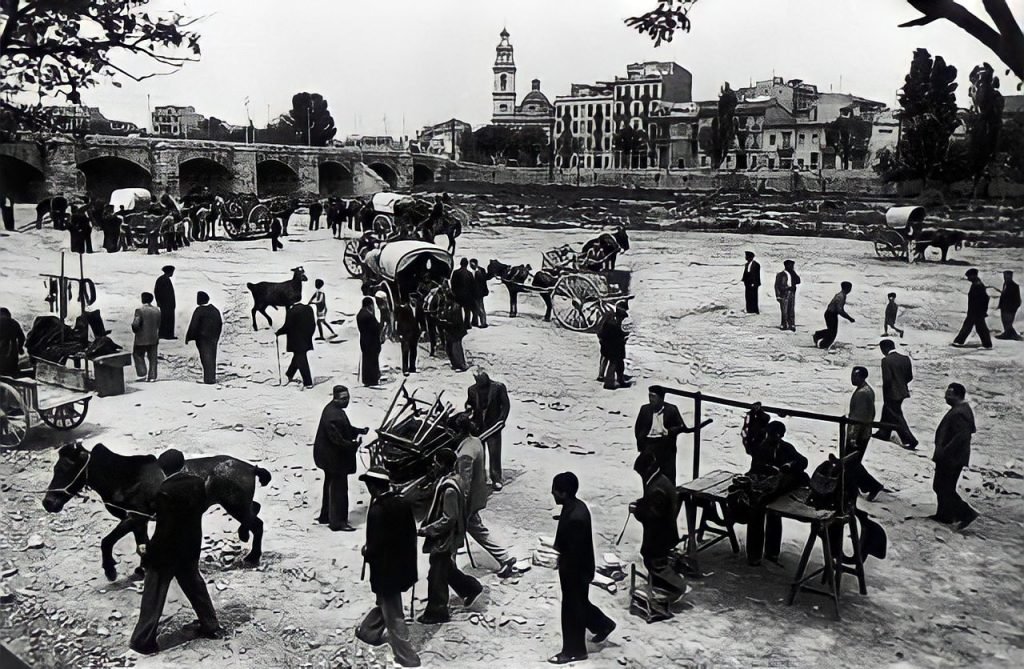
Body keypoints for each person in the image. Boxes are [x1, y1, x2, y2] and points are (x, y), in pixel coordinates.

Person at [129, 449, 223, 654]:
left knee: (154, 593)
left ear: (163, 469)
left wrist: (149, 551)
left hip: (167, 552)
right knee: (195, 586)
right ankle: (211, 626)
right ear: (182, 465)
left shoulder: (164, 491)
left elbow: (165, 530)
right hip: (190, 546)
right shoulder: (198, 483)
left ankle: (143, 641)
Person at [356, 467, 420, 667]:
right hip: (402, 567)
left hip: (385, 571)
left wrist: (367, 551)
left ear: (373, 487)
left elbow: (376, 546)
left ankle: (408, 658)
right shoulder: (402, 503)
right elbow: (410, 536)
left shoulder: (378, 510)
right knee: (385, 603)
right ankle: (368, 632)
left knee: (394, 616)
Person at [548, 472, 615, 665]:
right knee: (579, 603)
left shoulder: (575, 517)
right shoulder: (574, 506)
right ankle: (603, 625)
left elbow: (574, 553)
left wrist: (566, 571)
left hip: (575, 571)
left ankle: (574, 650)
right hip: (576, 568)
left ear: (564, 493)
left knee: (571, 609)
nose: (552, 493)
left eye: (555, 490)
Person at [417, 448, 482, 624]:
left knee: (436, 575)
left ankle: (437, 611)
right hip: (448, 537)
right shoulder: (454, 480)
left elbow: (449, 518)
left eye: (436, 462)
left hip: (444, 538)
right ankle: (470, 588)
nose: (433, 465)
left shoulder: (450, 489)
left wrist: (427, 530)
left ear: (443, 464)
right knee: (445, 568)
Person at [453, 414, 517, 576]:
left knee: (453, 533)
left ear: (460, 431)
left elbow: (464, 484)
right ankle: (505, 558)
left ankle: (449, 570)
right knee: (477, 530)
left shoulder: (465, 454)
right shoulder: (475, 441)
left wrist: (459, 507)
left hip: (468, 501)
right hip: (478, 495)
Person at [745, 421, 808, 565]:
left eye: (775, 436)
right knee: (757, 510)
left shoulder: (786, 448)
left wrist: (789, 465)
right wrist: (768, 470)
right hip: (763, 486)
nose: (771, 438)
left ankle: (771, 552)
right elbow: (755, 468)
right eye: (770, 435)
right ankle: (755, 555)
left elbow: (803, 461)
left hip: (779, 487)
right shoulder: (761, 447)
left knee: (773, 512)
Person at [629, 451, 685, 596]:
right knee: (654, 561)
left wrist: (637, 511)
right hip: (663, 531)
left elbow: (652, 515)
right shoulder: (660, 479)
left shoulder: (657, 488)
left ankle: (676, 587)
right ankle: (663, 585)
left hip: (659, 534)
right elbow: (652, 504)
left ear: (647, 470)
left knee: (655, 562)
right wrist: (641, 503)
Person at [314, 385, 368, 532]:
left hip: (328, 458)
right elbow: (337, 439)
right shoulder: (333, 415)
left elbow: (345, 429)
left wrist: (358, 431)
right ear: (335, 398)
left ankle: (326, 515)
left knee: (329, 485)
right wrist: (353, 445)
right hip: (334, 459)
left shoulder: (333, 410)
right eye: (344, 398)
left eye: (348, 397)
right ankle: (338, 522)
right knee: (339, 490)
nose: (347, 401)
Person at [634, 387, 711, 485]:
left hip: (665, 444)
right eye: (649, 396)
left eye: (653, 396)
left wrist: (672, 431)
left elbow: (681, 426)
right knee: (647, 474)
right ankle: (649, 496)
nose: (651, 399)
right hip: (649, 444)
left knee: (668, 474)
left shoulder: (671, 409)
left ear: (661, 398)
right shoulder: (645, 409)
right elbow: (638, 428)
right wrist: (642, 444)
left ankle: (670, 496)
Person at [931, 383, 979, 530]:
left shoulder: (960, 413)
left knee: (944, 487)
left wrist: (944, 452)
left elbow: (961, 437)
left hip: (951, 458)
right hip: (950, 457)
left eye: (949, 394)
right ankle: (944, 515)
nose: (946, 396)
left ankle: (966, 513)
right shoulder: (960, 410)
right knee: (942, 486)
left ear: (957, 395)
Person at [466, 367, 511, 490]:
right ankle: (480, 479)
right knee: (479, 454)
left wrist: (502, 420)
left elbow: (505, 405)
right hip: (478, 425)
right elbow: (470, 403)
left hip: (493, 425)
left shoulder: (498, 387)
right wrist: (469, 408)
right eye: (477, 380)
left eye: (481, 379)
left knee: (494, 453)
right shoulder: (472, 390)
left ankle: (496, 478)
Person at [872, 339, 918, 450]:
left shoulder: (886, 361)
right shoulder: (905, 359)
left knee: (896, 416)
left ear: (884, 348)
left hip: (891, 393)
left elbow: (887, 379)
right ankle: (883, 432)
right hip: (902, 391)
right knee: (888, 411)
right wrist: (901, 384)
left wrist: (888, 390)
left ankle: (910, 439)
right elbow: (909, 377)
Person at [847, 366, 883, 500]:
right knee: (853, 463)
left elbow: (858, 418)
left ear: (862, 377)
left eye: (855, 376)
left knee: (851, 463)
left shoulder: (862, 393)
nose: (852, 378)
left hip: (858, 435)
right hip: (864, 432)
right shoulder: (867, 390)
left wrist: (852, 437)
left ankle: (872, 485)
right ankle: (855, 486)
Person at [184, 292, 223, 384]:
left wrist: (189, 337)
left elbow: (194, 325)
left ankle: (208, 379)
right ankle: (212, 377)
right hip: (213, 338)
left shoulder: (199, 310)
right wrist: (216, 335)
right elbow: (220, 324)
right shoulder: (215, 310)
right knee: (212, 357)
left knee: (205, 358)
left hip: (202, 339)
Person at [276, 299, 316, 389]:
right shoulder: (309, 309)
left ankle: (308, 382)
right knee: (298, 357)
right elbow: (313, 324)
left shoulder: (291, 311)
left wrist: (278, 332)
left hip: (295, 340)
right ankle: (289, 374)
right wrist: (309, 336)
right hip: (306, 339)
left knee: (301, 359)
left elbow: (287, 326)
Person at [952, 268, 992, 349]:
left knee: (974, 328)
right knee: (975, 327)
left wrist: (982, 311)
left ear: (973, 276)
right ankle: (959, 341)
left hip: (976, 311)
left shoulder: (978, 285)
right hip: (975, 311)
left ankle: (987, 344)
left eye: (969, 276)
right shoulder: (977, 284)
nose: (968, 278)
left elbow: (985, 299)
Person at [599, 304, 631, 390]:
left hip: (608, 344)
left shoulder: (609, 317)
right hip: (613, 346)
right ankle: (609, 383)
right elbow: (616, 335)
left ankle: (620, 380)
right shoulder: (614, 323)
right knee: (614, 362)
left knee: (618, 362)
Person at [813, 281, 855, 349]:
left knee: (832, 332)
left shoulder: (842, 295)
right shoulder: (840, 296)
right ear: (847, 288)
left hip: (832, 314)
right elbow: (840, 310)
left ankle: (822, 342)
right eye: (850, 288)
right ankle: (819, 338)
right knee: (832, 333)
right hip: (831, 314)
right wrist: (849, 318)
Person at [132, 292, 162, 382]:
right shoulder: (157, 310)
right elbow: (159, 324)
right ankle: (152, 376)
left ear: (142, 299)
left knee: (137, 354)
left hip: (141, 338)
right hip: (154, 337)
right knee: (153, 357)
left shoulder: (139, 310)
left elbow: (136, 324)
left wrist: (135, 329)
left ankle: (142, 373)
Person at [357, 296, 382, 386]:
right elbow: (376, 328)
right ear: (369, 305)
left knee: (366, 361)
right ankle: (372, 380)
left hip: (364, 341)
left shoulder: (360, 314)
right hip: (371, 342)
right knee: (372, 361)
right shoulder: (368, 316)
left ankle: (367, 379)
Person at [443, 290, 469, 372]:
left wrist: (447, 322)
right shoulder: (448, 306)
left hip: (456, 331)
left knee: (456, 349)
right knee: (449, 348)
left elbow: (456, 321)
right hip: (450, 331)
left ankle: (461, 365)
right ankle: (454, 363)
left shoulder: (456, 307)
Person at [395, 297, 420, 375]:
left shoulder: (419, 308)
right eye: (412, 299)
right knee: (405, 351)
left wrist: (423, 331)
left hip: (415, 333)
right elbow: (400, 321)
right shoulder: (405, 308)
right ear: (410, 299)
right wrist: (400, 333)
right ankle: (405, 369)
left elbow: (421, 320)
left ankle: (412, 367)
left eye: (415, 299)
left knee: (413, 350)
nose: (414, 300)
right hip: (406, 333)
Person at [774, 259, 800, 331]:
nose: (792, 267)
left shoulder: (792, 274)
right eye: (791, 265)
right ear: (786, 266)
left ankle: (792, 324)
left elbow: (798, 281)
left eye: (793, 266)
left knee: (791, 309)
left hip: (791, 293)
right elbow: (776, 285)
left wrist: (794, 272)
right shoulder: (780, 274)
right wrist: (778, 295)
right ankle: (784, 324)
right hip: (784, 293)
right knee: (784, 310)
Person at [995, 270, 1021, 340]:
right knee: (1005, 323)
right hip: (1004, 308)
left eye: (1007, 276)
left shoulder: (1014, 286)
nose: (1005, 277)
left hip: (1010, 309)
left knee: (1008, 323)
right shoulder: (1005, 284)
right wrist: (1000, 305)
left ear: (1011, 276)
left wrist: (1013, 308)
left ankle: (1013, 335)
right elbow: (1003, 296)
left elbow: (1017, 300)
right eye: (1004, 276)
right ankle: (1008, 334)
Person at [450, 258, 476, 328]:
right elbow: (473, 285)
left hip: (458, 295)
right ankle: (467, 324)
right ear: (467, 264)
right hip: (467, 295)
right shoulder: (469, 274)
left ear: (461, 264)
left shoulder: (456, 272)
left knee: (458, 310)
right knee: (467, 310)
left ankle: (459, 324)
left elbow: (453, 284)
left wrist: (453, 293)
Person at [0, 308, 26, 376]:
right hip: (12, 350)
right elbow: (21, 337)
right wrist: (20, 348)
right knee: (11, 369)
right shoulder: (14, 323)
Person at [154, 266, 177, 340]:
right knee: (168, 319)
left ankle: (163, 334)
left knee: (165, 319)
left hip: (165, 303)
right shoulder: (165, 280)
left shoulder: (162, 279)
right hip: (167, 303)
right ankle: (168, 335)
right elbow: (158, 292)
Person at [470, 258, 489, 328]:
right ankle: (475, 321)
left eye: (472, 264)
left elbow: (481, 283)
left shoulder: (478, 271)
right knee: (476, 307)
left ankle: (483, 322)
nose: (471, 266)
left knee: (480, 307)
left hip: (478, 293)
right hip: (478, 292)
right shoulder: (481, 270)